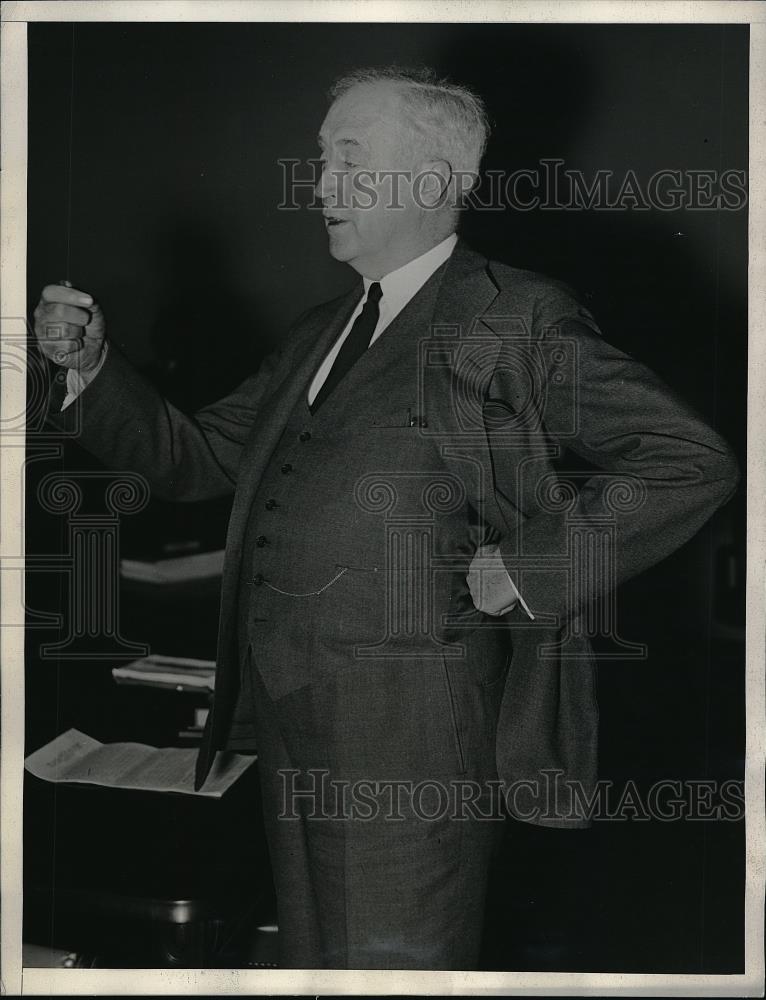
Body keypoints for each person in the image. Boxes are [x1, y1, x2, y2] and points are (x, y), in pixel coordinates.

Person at [34, 66, 739, 970]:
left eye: (350, 161)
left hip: (411, 745)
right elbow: (195, 457)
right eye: (321, 159)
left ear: (435, 180)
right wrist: (93, 368)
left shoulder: (511, 316)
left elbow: (689, 460)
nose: (320, 186)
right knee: (322, 966)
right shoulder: (321, 330)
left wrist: (530, 566)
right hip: (289, 726)